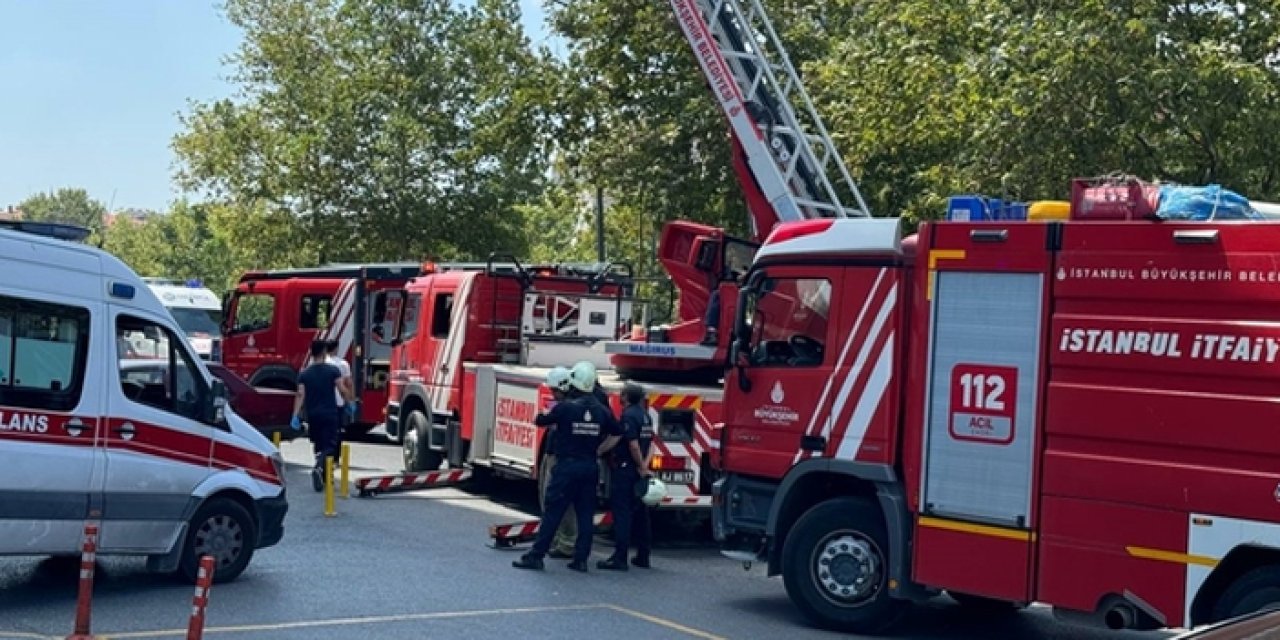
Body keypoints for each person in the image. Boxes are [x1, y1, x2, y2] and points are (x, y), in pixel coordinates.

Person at [513, 361, 621, 572]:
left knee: (553, 513)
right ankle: (580, 560)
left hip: (566, 468)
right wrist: (599, 449)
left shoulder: (565, 408)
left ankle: (536, 555)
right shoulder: (601, 411)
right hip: (590, 467)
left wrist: (548, 412)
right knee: (585, 516)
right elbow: (617, 432)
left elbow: (540, 420)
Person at [597, 382, 656, 570]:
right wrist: (645, 467)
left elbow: (632, 444)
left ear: (626, 397)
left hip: (626, 470)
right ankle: (643, 555)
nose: (620, 397)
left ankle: (620, 558)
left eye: (622, 394)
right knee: (640, 514)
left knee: (622, 514)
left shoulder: (629, 416)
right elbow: (652, 444)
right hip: (638, 471)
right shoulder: (646, 416)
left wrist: (639, 465)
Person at [291, 340, 345, 492]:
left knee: (318, 446)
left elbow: (300, 394)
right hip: (329, 413)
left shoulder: (304, 374)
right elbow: (341, 388)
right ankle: (318, 468)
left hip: (313, 414)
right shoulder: (333, 371)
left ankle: (324, 478)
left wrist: (295, 415)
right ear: (324, 352)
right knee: (330, 446)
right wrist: (349, 401)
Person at [539, 366, 578, 559]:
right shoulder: (580, 405)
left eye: (554, 390)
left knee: (555, 500)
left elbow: (541, 421)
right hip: (573, 460)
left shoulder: (564, 408)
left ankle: (562, 542)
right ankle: (563, 541)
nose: (552, 394)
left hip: (560, 459)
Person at [325, 339, 356, 462]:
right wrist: (351, 401)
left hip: (321, 402)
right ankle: (335, 458)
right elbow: (348, 383)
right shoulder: (343, 364)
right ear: (336, 348)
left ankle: (323, 455)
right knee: (337, 430)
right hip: (338, 402)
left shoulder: (320, 363)